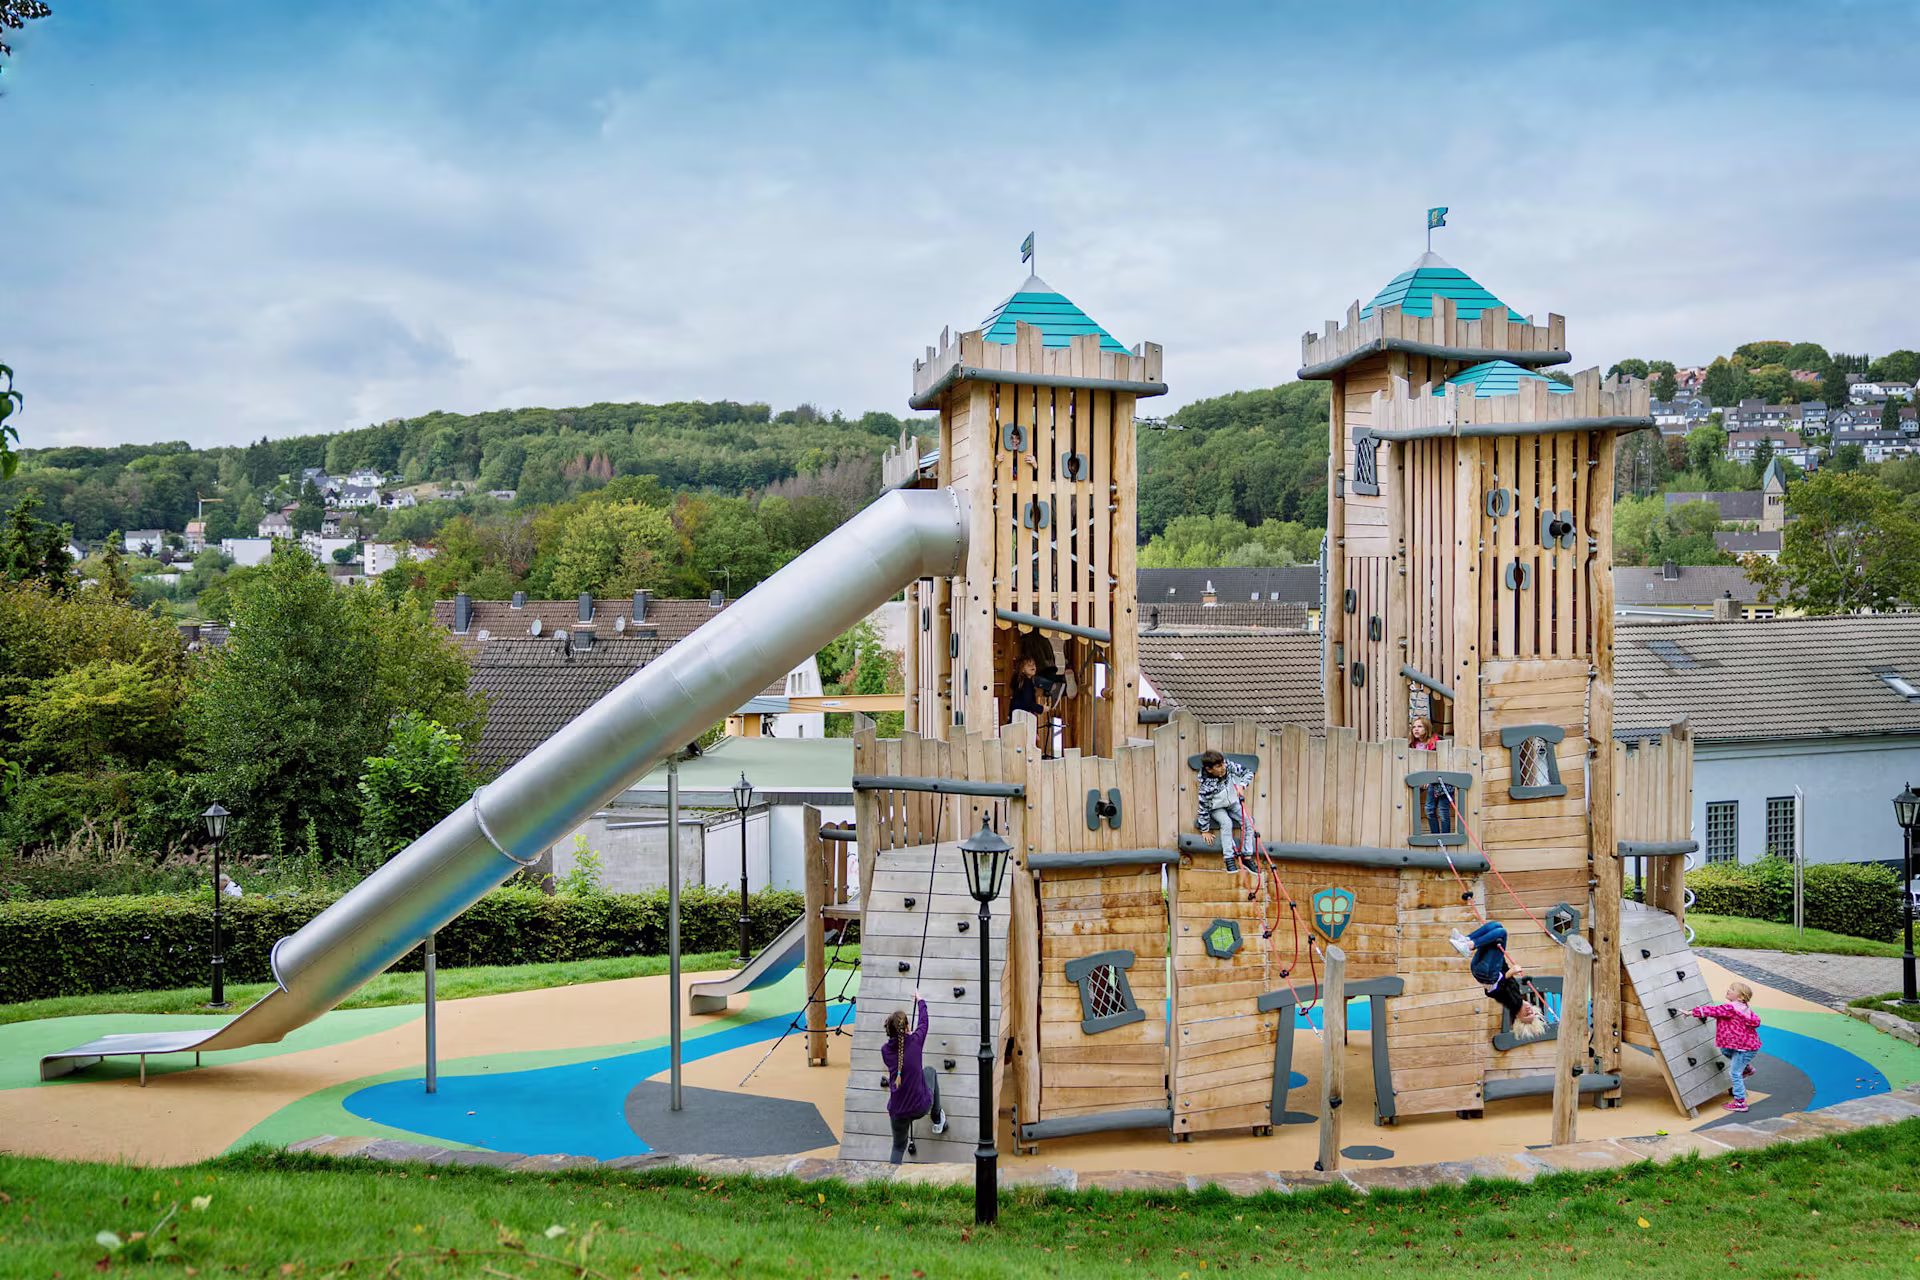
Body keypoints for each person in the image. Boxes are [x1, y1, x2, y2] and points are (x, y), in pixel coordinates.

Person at [1449, 920, 1548, 1041]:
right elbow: (1500, 982)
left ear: (1518, 1017)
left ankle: (1469, 945)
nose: (1529, 1010)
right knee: (1496, 926)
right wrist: (1500, 956)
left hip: (1488, 973)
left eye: (1526, 1015)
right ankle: (1465, 940)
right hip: (1481, 970)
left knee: (1501, 932)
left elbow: (1495, 989)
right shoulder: (1517, 998)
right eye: (1532, 1012)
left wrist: (1511, 972)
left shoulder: (1514, 1003)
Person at [881, 989, 946, 1162]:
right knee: (930, 1072)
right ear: (908, 1028)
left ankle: (889, 1184)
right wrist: (920, 1001)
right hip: (920, 1107)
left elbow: (897, 1051)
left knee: (898, 1147)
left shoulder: (886, 1051)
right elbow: (924, 1022)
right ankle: (937, 1117)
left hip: (898, 1111)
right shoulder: (915, 1041)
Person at [1691, 982, 1763, 1112]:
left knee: (1735, 1073)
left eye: (1732, 989)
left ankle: (1740, 1103)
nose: (1728, 990)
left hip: (1743, 1048)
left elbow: (1715, 1011)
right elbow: (1755, 1020)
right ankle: (1746, 1068)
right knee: (1725, 1050)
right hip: (1745, 1046)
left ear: (1740, 997)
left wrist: (1695, 1012)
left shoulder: (1731, 1008)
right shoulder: (1744, 1007)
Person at [1194, 750, 1253, 872]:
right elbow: (1203, 807)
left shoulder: (1228, 766)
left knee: (1248, 821)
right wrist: (1204, 830)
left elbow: (1248, 772)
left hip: (1231, 802)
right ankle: (1229, 858)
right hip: (1216, 807)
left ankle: (1247, 856)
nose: (1223, 767)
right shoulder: (1206, 786)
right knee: (1226, 823)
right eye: (1219, 766)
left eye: (1223, 764)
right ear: (1209, 769)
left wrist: (1242, 785)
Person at [1008, 656, 1063, 757]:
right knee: (1029, 742)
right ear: (1022, 669)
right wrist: (1042, 708)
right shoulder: (1027, 683)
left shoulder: (1020, 682)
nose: (1033, 666)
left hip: (1017, 717)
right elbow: (1028, 703)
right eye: (1029, 665)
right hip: (1023, 717)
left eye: (1034, 664)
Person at [1410, 716, 1453, 835]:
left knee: (1443, 810)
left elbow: (1440, 761)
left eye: (1419, 726)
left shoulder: (1436, 743)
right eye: (1414, 727)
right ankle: (1436, 835)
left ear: (1427, 728)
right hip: (1424, 779)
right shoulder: (1412, 745)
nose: (1416, 729)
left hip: (1440, 778)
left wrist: (1428, 779)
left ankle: (1445, 836)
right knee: (1429, 810)